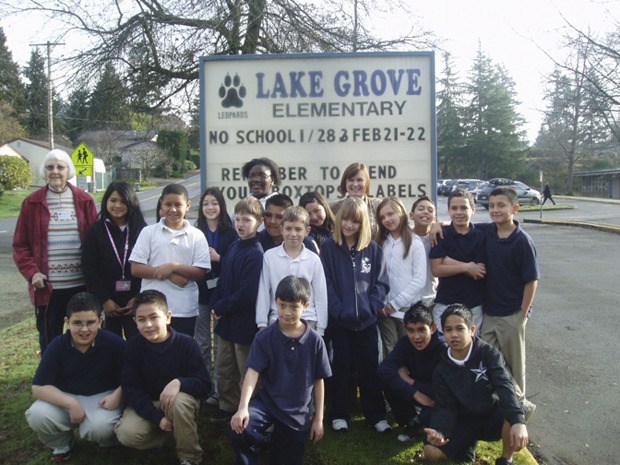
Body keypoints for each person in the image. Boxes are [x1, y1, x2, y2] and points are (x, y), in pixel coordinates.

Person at [230, 276, 332, 465]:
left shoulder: (315, 341)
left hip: (297, 413)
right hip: (267, 404)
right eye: (282, 305)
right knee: (241, 428)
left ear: (306, 306)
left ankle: (276, 442)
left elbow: (319, 380)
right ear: (275, 302)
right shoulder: (264, 337)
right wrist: (242, 407)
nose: (287, 312)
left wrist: (319, 418)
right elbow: (252, 373)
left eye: (294, 307)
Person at [13, 149, 98, 353]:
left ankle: (81, 374)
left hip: (80, 285)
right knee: (50, 336)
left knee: (84, 334)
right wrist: (32, 273)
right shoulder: (31, 203)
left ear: (68, 170)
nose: (55, 171)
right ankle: (51, 377)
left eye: (60, 167)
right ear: (44, 171)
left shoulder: (84, 200)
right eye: (50, 167)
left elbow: (96, 242)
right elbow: (20, 245)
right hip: (48, 289)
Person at [25, 292, 125, 462]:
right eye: (77, 323)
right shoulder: (57, 345)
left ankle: (106, 439)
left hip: (103, 399)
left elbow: (133, 375)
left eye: (90, 323)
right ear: (67, 322)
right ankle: (62, 443)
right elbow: (39, 387)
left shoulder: (114, 343)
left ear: (100, 321)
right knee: (37, 414)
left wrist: (118, 394)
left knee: (99, 428)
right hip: (67, 397)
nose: (84, 330)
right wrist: (70, 403)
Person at [423, 304, 528, 465]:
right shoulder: (441, 368)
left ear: (472, 330)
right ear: (443, 332)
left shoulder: (488, 353)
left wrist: (518, 421)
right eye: (449, 330)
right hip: (464, 420)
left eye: (460, 328)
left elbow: (504, 385)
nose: (454, 335)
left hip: (491, 415)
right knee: (431, 452)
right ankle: (467, 447)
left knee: (514, 411)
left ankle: (506, 459)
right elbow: (445, 406)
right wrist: (439, 431)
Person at [114, 290, 210, 465]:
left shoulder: (186, 344)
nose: (148, 324)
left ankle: (190, 456)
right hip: (149, 403)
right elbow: (131, 389)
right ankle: (171, 434)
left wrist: (179, 382)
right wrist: (157, 418)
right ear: (135, 321)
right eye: (141, 320)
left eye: (154, 317)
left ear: (167, 317)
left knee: (178, 403)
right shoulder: (133, 347)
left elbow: (204, 384)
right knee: (127, 434)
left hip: (179, 402)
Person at [320, 197, 390, 433]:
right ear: (339, 221)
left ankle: (376, 415)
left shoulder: (373, 249)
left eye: (355, 221)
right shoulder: (329, 249)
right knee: (341, 367)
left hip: (367, 322)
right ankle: (339, 414)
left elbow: (381, 283)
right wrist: (338, 309)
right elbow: (326, 283)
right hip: (341, 323)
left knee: (370, 368)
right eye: (346, 220)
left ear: (363, 224)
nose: (349, 225)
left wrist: (372, 307)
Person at [480, 187, 539, 415]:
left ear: (515, 208)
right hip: (490, 313)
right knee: (489, 360)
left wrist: (522, 314)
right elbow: (461, 226)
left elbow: (532, 280)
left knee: (516, 366)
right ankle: (520, 403)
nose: (495, 209)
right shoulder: (488, 233)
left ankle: (517, 414)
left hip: (512, 314)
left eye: (501, 205)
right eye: (492, 205)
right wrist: (437, 224)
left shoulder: (522, 241)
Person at [129, 183, 211, 336]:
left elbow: (200, 272)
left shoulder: (196, 235)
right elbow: (136, 268)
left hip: (184, 309)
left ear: (188, 205)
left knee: (180, 352)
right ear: (161, 204)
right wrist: (168, 273)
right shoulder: (148, 232)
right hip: (151, 309)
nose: (173, 209)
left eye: (178, 205)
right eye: (168, 204)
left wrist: (173, 266)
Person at [209, 197, 264, 423]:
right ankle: (227, 406)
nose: (241, 224)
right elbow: (223, 280)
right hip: (226, 324)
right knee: (224, 368)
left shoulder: (256, 253)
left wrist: (222, 306)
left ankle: (249, 410)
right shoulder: (234, 245)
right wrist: (215, 302)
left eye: (247, 220)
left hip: (243, 324)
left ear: (259, 222)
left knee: (245, 370)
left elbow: (247, 293)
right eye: (238, 219)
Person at [82, 181, 146, 339]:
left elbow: (148, 265)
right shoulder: (95, 232)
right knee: (109, 349)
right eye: (113, 200)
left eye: (123, 201)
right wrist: (104, 300)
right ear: (106, 202)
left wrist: (138, 297)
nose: (118, 205)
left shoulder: (142, 230)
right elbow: (89, 268)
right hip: (106, 303)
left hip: (135, 302)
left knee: (137, 344)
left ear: (132, 203)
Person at [194, 187, 238, 407]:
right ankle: (205, 387)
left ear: (221, 206)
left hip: (222, 296)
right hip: (200, 294)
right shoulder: (195, 231)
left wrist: (218, 257)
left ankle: (221, 390)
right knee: (201, 343)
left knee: (222, 346)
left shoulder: (231, 233)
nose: (210, 208)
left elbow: (235, 264)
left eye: (214, 203)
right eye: (206, 204)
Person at [255, 206, 328, 336]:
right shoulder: (269, 257)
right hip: (277, 320)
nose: (293, 234)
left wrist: (321, 328)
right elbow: (264, 290)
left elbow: (321, 295)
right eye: (288, 228)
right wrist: (261, 323)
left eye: (298, 229)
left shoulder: (313, 259)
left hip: (307, 320)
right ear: (281, 229)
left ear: (307, 231)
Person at [376, 302, 443, 443]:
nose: (416, 337)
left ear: (433, 328)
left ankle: (421, 421)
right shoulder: (404, 343)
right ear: (405, 329)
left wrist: (409, 381)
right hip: (419, 391)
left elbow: (442, 389)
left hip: (438, 397)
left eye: (421, 330)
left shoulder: (443, 350)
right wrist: (415, 393)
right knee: (386, 379)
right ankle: (410, 420)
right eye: (411, 331)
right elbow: (384, 370)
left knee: (441, 401)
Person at [430, 188, 486, 338]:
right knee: (443, 349)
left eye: (464, 208)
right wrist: (467, 266)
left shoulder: (482, 236)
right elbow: (436, 269)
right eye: (454, 208)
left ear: (473, 209)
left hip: (473, 305)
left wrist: (448, 262)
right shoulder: (441, 234)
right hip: (445, 302)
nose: (459, 212)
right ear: (448, 210)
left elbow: (478, 272)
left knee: (472, 349)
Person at [375, 196, 428, 355]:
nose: (387, 219)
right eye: (383, 217)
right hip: (384, 309)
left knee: (410, 350)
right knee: (390, 351)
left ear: (401, 213)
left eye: (391, 214)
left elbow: (419, 280)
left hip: (407, 308)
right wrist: (382, 304)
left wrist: (396, 304)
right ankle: (391, 380)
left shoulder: (414, 243)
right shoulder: (381, 243)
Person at [330, 162, 382, 237]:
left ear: (366, 183)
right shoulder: (333, 208)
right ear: (345, 183)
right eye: (351, 180)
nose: (355, 184)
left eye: (359, 180)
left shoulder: (379, 206)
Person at [410, 196, 438, 306]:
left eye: (430, 210)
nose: (426, 212)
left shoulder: (438, 237)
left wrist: (439, 224)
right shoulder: (404, 238)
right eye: (421, 209)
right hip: (408, 300)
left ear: (434, 218)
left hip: (431, 298)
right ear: (411, 215)